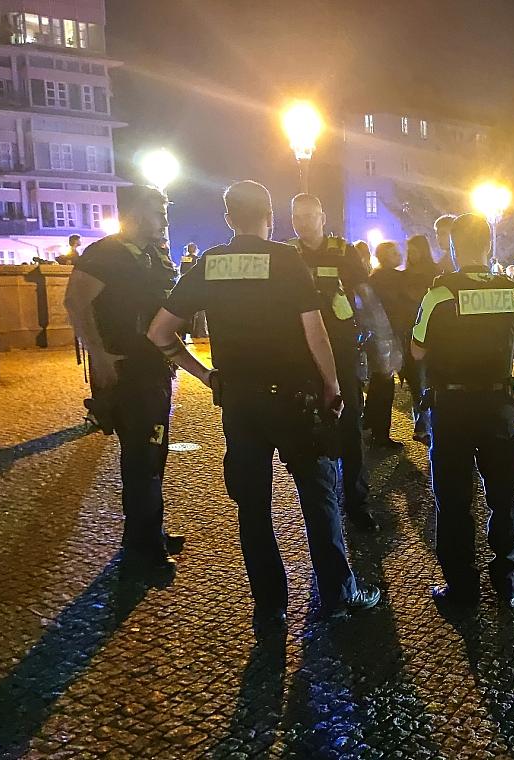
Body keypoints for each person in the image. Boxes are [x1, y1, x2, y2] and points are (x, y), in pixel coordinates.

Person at [146, 180, 380, 630]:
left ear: (229, 218)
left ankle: (270, 606)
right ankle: (338, 593)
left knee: (253, 507)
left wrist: (205, 375)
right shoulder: (286, 260)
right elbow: (314, 331)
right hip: (295, 399)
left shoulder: (210, 263)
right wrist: (332, 385)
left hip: (240, 402)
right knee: (318, 497)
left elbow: (159, 332)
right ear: (269, 217)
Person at [410, 213, 514, 610]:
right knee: (503, 497)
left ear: (453, 247)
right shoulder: (513, 292)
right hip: (498, 407)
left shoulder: (440, 293)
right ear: (490, 246)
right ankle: (507, 581)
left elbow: (417, 350)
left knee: (454, 502)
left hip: (453, 410)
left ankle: (462, 589)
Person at [63, 185, 183, 577]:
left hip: (155, 368)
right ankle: (142, 550)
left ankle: (148, 531)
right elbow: (75, 302)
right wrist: (98, 356)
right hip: (127, 370)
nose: (164, 219)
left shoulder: (156, 254)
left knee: (154, 452)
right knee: (141, 457)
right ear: (133, 214)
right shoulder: (106, 254)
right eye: (158, 211)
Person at [288, 194, 377, 532]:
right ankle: (320, 504)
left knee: (349, 426)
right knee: (305, 427)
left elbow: (365, 297)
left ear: (322, 217)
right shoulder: (287, 254)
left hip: (341, 351)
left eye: (309, 215)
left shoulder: (343, 252)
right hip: (300, 353)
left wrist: (376, 341)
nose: (303, 222)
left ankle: (356, 502)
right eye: (297, 216)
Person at [362, 241, 413, 447]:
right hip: (388, 337)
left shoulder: (374, 277)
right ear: (384, 257)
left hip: (376, 337)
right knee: (385, 387)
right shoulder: (393, 278)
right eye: (394, 253)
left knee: (378, 383)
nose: (399, 256)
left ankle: (370, 421)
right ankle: (381, 435)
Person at [404, 234, 438, 444]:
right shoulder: (405, 275)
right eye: (409, 251)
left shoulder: (433, 274)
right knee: (418, 382)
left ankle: (427, 424)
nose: (410, 255)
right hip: (411, 334)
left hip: (430, 335)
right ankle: (422, 424)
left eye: (414, 251)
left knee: (428, 380)